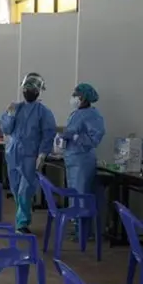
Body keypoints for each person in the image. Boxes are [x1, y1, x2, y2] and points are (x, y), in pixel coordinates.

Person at [1, 73, 58, 234]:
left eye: (31, 89)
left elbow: (48, 134)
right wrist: (10, 115)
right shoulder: (16, 108)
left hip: (30, 156)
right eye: (25, 88)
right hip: (13, 154)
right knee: (15, 188)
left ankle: (22, 223)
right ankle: (21, 219)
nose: (27, 91)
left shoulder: (43, 112)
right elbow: (6, 129)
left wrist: (42, 154)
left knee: (25, 191)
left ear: (38, 91)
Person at [61, 83, 106, 231]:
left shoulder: (93, 115)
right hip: (72, 158)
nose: (74, 98)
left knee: (82, 194)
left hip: (82, 160)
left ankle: (84, 231)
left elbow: (95, 138)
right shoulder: (76, 113)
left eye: (77, 95)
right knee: (74, 194)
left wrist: (76, 137)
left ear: (84, 98)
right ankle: (76, 227)